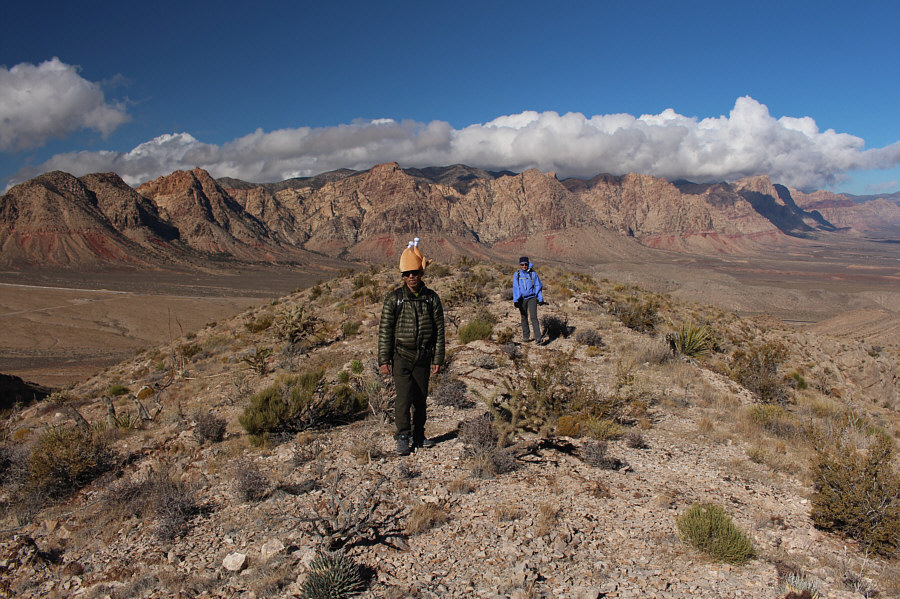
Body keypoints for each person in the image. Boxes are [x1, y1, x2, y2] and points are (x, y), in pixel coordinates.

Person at [378, 238, 445, 456]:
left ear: (421, 273)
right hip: (401, 356)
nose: (410, 277)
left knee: (420, 398)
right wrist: (383, 359)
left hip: (424, 357)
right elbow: (385, 330)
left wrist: (437, 358)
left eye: (414, 273)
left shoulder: (431, 299)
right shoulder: (394, 299)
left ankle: (419, 435)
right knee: (403, 398)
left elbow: (439, 331)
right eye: (406, 274)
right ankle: (403, 436)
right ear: (402, 276)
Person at [512, 256, 544, 344]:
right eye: (522, 264)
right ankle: (526, 336)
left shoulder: (533, 274)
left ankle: (538, 338)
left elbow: (538, 286)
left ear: (528, 264)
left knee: (533, 317)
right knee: (524, 317)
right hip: (522, 299)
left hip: (532, 297)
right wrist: (516, 300)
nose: (524, 266)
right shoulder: (517, 274)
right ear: (519, 265)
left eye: (526, 264)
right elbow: (515, 288)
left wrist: (540, 298)